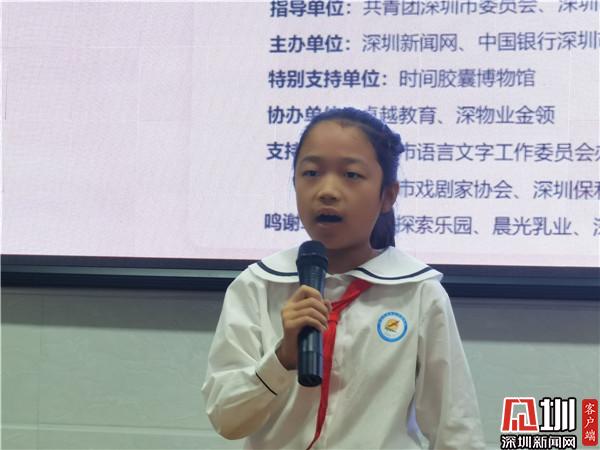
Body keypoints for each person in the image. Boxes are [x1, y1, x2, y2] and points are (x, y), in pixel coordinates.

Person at [201, 107, 485, 449]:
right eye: (311, 173)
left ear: (388, 196)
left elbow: (455, 429)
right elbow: (227, 419)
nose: (327, 191)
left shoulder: (418, 293)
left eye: (351, 175)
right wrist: (283, 358)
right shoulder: (258, 286)